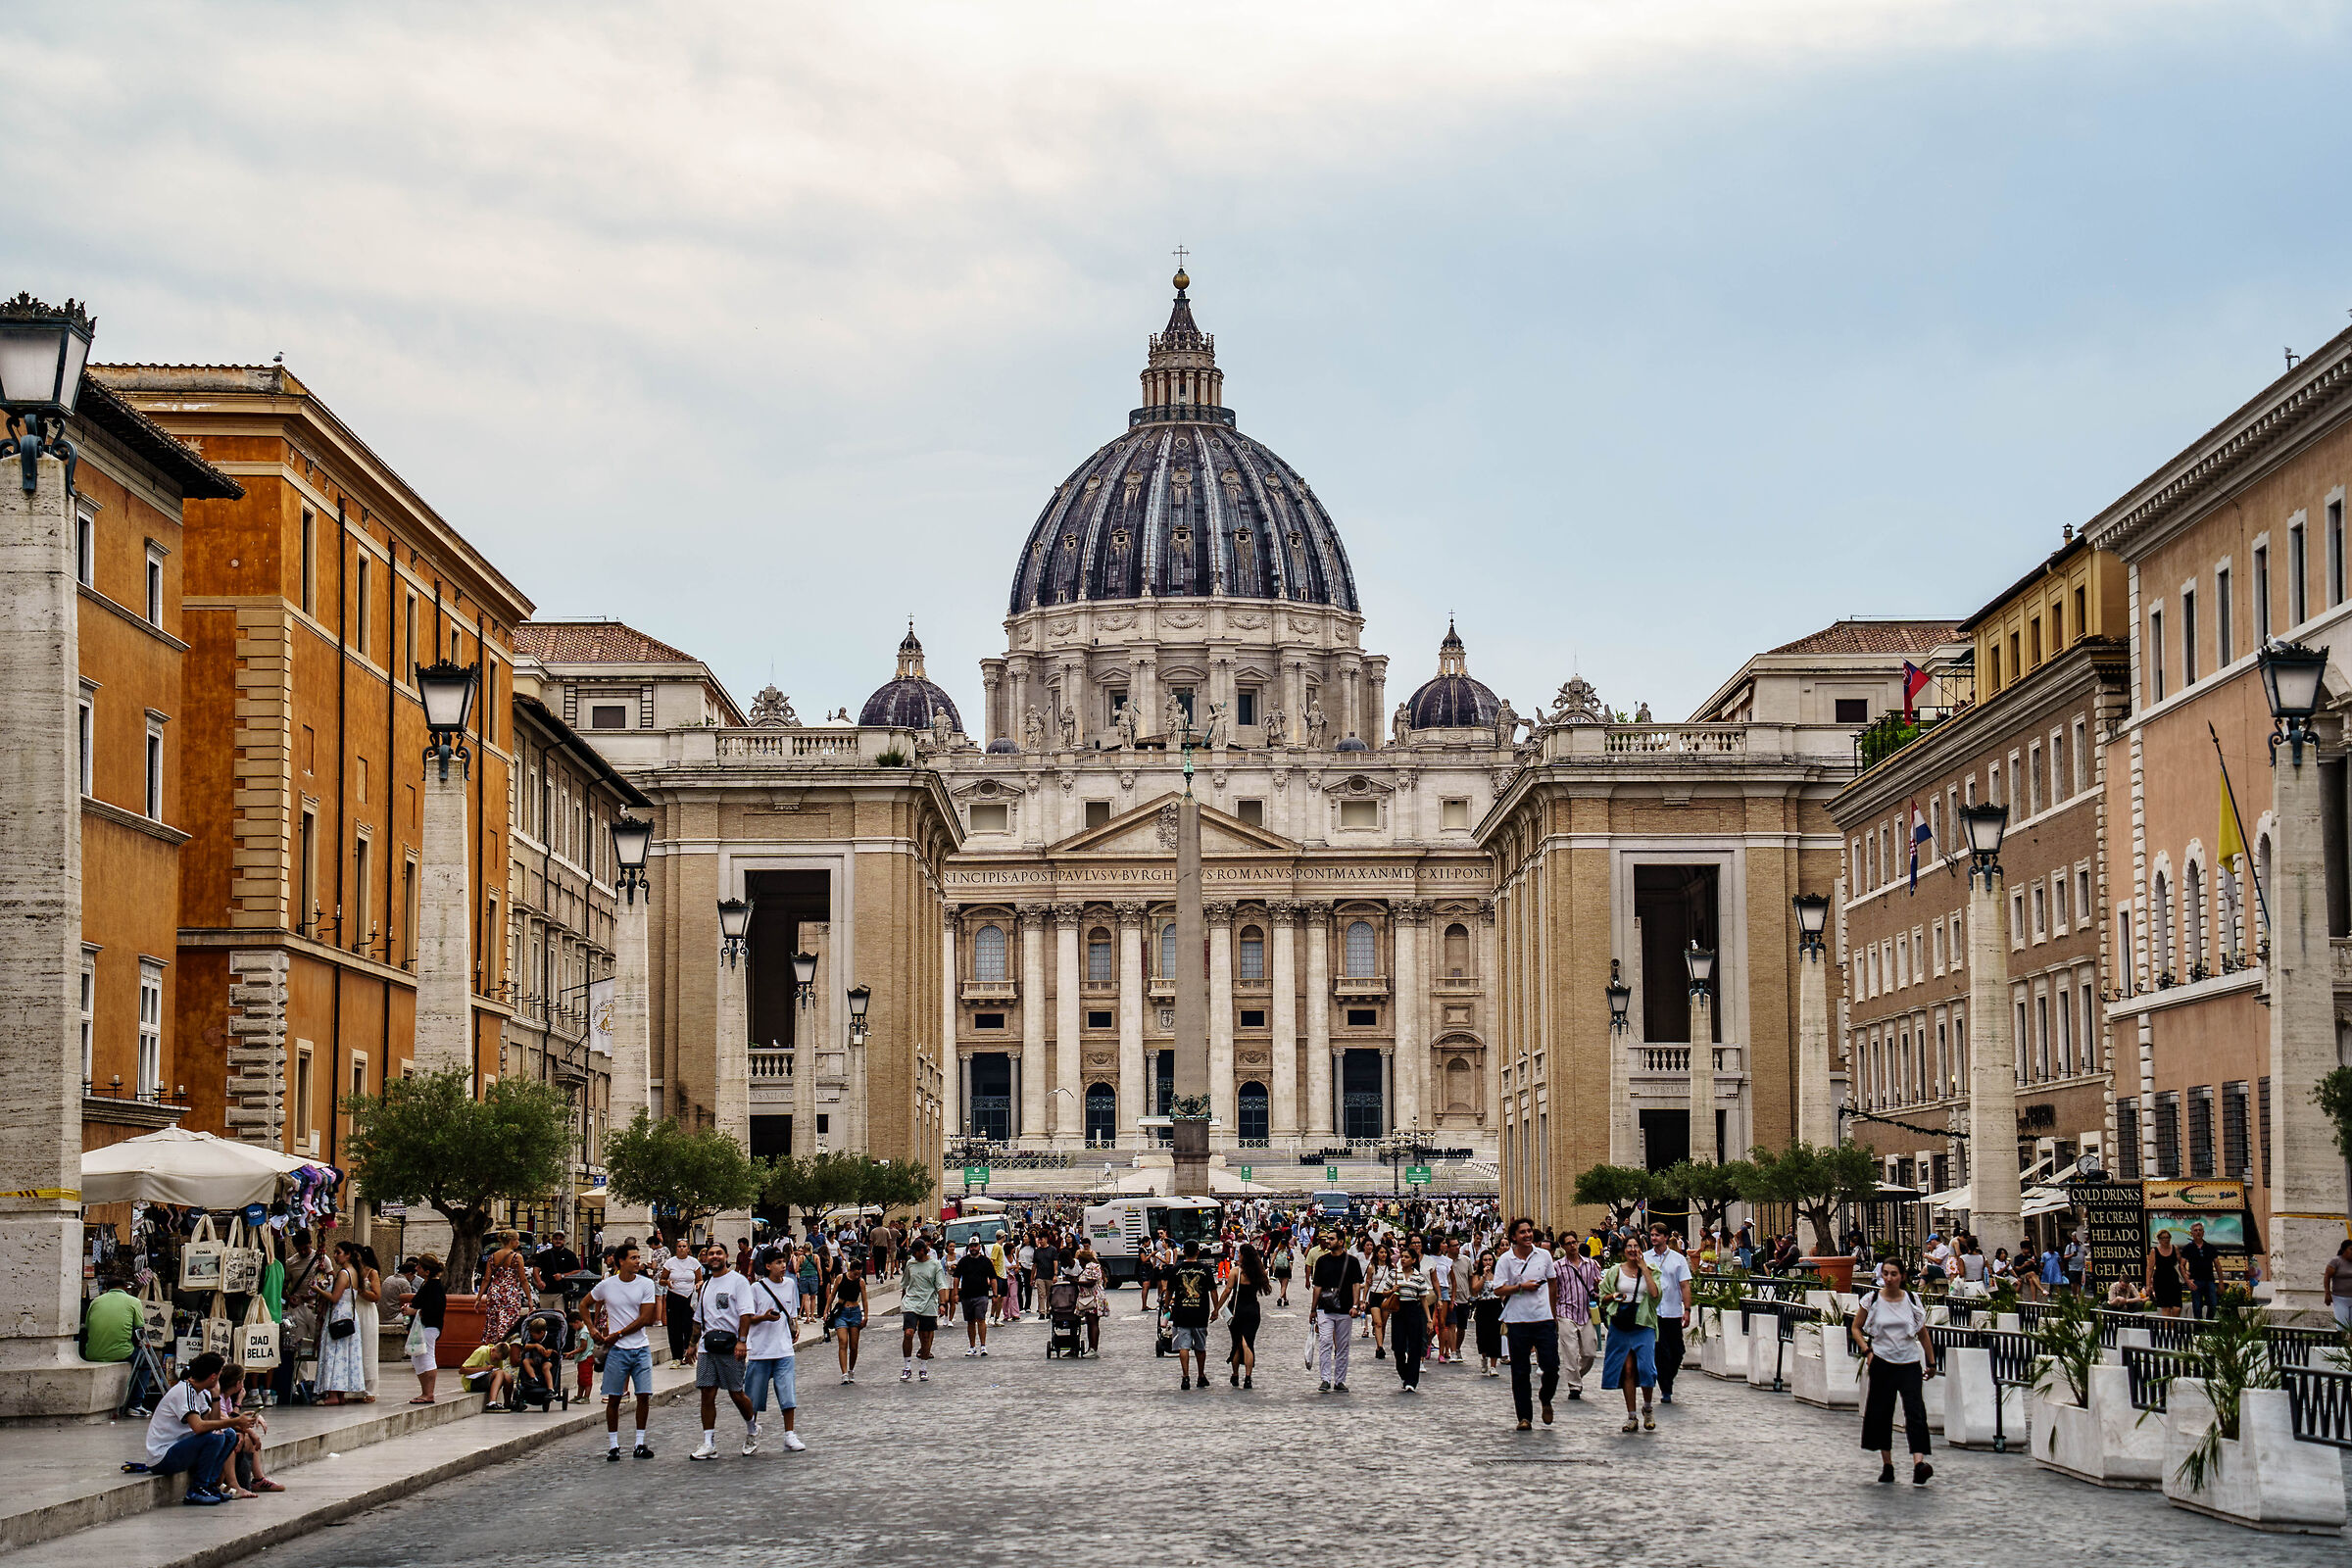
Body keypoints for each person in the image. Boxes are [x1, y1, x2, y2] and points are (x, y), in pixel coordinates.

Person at [1852, 1257, 1936, 1485]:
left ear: (1902, 1277)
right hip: (1882, 1362)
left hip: (1909, 1363)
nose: (1889, 1278)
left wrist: (1931, 1362)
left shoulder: (1911, 1299)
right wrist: (1867, 1351)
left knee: (1915, 1412)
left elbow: (1923, 1333)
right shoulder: (1872, 1300)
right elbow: (1856, 1328)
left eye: (1894, 1274)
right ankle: (1887, 1464)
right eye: (1886, 1274)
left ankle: (1919, 1463)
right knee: (1881, 1414)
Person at [587, 1242, 662, 1459]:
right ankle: (613, 1445)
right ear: (621, 1261)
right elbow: (585, 1304)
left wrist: (617, 1334)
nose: (638, 1261)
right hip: (617, 1351)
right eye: (634, 1258)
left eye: (638, 1258)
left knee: (644, 1395)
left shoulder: (645, 1284)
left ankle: (639, 1442)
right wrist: (592, 1328)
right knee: (614, 1398)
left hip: (640, 1347)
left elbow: (646, 1317)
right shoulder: (607, 1285)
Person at [143, 1351, 248, 1505]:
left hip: (180, 1447)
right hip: (163, 1456)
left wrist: (216, 1396)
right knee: (215, 1437)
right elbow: (199, 1427)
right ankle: (198, 1488)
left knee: (229, 1435)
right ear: (213, 1377)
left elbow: (212, 1421)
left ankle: (211, 1485)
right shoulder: (184, 1391)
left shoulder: (197, 1392)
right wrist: (235, 1421)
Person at [689, 1243, 757, 1459]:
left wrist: (742, 1341)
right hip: (708, 1347)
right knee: (707, 1393)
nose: (715, 1257)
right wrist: (692, 1344)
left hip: (731, 1346)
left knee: (736, 1393)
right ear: (706, 1258)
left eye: (719, 1253)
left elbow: (746, 1314)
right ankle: (708, 1441)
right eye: (711, 1254)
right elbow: (698, 1320)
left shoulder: (738, 1282)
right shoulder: (706, 1285)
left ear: (727, 1256)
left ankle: (752, 1429)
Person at [1494, 1217, 1560, 1431]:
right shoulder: (1505, 1260)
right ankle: (1524, 1416)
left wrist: (1553, 1311)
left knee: (1551, 1366)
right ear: (1514, 1236)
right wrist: (1521, 1287)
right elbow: (1498, 1289)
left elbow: (1552, 1283)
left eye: (1529, 1231)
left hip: (1543, 1319)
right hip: (1517, 1320)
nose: (1527, 1235)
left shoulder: (1544, 1257)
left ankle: (1545, 1396)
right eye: (1522, 1232)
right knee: (1520, 1371)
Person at [743, 1249, 806, 1451]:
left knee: (788, 1394)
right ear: (768, 1266)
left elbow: (792, 1313)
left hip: (784, 1350)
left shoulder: (790, 1284)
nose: (782, 1266)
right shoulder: (756, 1289)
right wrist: (764, 1317)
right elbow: (747, 1318)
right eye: (778, 1262)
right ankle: (752, 1432)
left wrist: (794, 1327)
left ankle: (790, 1434)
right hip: (761, 1350)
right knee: (753, 1397)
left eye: (783, 1262)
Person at [1598, 1236, 1661, 1434]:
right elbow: (1602, 1297)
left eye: (1636, 1246)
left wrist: (1644, 1268)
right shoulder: (1615, 1271)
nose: (1632, 1250)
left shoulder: (1651, 1270)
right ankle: (1631, 1416)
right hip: (1621, 1323)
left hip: (1643, 1324)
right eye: (1629, 1247)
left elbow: (1654, 1294)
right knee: (1627, 1369)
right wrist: (1614, 1296)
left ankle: (1648, 1407)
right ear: (1623, 1250)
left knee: (1646, 1368)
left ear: (1642, 1249)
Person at [1308, 1227, 1366, 1394]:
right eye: (1328, 1238)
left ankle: (1340, 1379)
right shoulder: (1322, 1261)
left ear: (1341, 1242)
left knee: (1342, 1345)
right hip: (1325, 1308)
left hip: (1345, 1308)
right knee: (1325, 1342)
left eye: (1332, 1239)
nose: (1328, 1241)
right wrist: (1313, 1309)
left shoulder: (1352, 1262)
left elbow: (1356, 1284)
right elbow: (1317, 1286)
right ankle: (1325, 1378)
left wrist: (1355, 1305)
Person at [211, 1365, 284, 1495]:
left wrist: (239, 1402)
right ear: (238, 1383)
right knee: (239, 1437)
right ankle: (237, 1483)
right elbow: (227, 1421)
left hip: (224, 1428)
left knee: (246, 1438)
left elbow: (231, 1417)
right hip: (217, 1434)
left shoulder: (226, 1398)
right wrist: (250, 1432)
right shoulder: (219, 1397)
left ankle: (258, 1479)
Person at [1644, 1224, 1693, 1404]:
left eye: (1657, 1235)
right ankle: (1666, 1388)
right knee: (1661, 1351)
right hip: (1653, 1313)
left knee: (1677, 1351)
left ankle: (1667, 1379)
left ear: (1666, 1237)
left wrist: (1687, 1310)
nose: (1654, 1238)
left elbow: (1685, 1286)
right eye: (1652, 1235)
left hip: (1673, 1312)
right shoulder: (1645, 1258)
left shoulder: (1678, 1259)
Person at [317, 1241, 368, 1404]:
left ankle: (332, 1394)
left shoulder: (344, 1273)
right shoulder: (355, 1272)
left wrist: (317, 1289)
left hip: (339, 1315)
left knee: (334, 1353)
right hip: (350, 1316)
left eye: (338, 1252)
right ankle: (340, 1394)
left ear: (347, 1255)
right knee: (345, 1354)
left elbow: (334, 1297)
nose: (335, 1255)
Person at [1165, 1240, 1218, 1391]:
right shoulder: (1205, 1269)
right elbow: (1213, 1291)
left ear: (1183, 1253)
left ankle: (1185, 1376)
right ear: (1197, 1252)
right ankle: (1201, 1376)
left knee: (1184, 1346)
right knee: (1200, 1347)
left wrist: (1166, 1306)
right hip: (1200, 1312)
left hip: (1181, 1312)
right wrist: (1215, 1309)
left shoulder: (1176, 1269)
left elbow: (1169, 1290)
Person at [1385, 1234, 1434, 1392]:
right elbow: (1384, 1293)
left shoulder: (1418, 1277)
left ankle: (1411, 1380)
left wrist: (1429, 1319)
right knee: (1398, 1347)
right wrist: (1392, 1290)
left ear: (1413, 1260)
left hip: (1413, 1310)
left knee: (1414, 1345)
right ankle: (1404, 1373)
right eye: (1402, 1257)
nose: (1403, 1259)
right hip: (1398, 1311)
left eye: (1407, 1257)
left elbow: (1424, 1299)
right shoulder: (1394, 1275)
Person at [899, 1236, 948, 1382]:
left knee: (925, 1337)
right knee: (908, 1333)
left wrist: (942, 1304)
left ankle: (923, 1367)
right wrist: (902, 1301)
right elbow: (905, 1284)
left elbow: (940, 1285)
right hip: (911, 1302)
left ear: (922, 1251)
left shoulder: (935, 1265)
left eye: (915, 1251)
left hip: (928, 1303)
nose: (913, 1254)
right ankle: (907, 1367)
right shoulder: (910, 1264)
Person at [1554, 1242, 1598, 1401]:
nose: (1572, 1246)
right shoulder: (1558, 1266)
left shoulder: (1591, 1264)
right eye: (1568, 1244)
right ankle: (1574, 1386)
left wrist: (1598, 1289)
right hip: (1565, 1311)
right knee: (1570, 1351)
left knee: (1590, 1352)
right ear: (1563, 1247)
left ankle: (1575, 1375)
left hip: (1586, 1312)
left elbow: (1597, 1284)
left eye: (1574, 1242)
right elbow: (1553, 1289)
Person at [405, 1256, 447, 1404]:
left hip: (429, 1326)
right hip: (423, 1326)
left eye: (420, 1267)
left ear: (427, 1271)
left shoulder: (434, 1286)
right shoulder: (427, 1284)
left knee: (427, 1357)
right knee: (417, 1357)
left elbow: (432, 1308)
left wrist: (413, 1311)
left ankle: (428, 1393)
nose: (416, 1269)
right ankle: (425, 1392)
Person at [478, 1232, 530, 1350]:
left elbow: (486, 1279)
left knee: (493, 1323)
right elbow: (523, 1280)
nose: (518, 1243)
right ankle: (506, 1348)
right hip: (509, 1292)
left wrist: (479, 1298)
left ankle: (493, 1348)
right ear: (511, 1241)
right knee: (509, 1323)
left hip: (495, 1292)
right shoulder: (517, 1257)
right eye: (517, 1240)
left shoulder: (493, 1256)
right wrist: (530, 1299)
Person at [660, 1238, 704, 1367]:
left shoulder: (694, 1263)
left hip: (689, 1296)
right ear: (676, 1249)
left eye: (684, 1246)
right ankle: (676, 1357)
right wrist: (667, 1282)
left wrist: (697, 1285)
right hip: (674, 1295)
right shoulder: (670, 1263)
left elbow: (700, 1280)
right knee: (674, 1327)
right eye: (679, 1246)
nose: (682, 1249)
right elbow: (662, 1279)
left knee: (688, 1325)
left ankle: (688, 1354)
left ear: (688, 1249)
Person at [953, 1237, 998, 1357]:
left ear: (979, 1247)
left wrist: (994, 1294)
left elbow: (993, 1278)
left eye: (975, 1245)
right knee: (970, 1321)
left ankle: (983, 1345)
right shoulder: (963, 1261)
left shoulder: (986, 1261)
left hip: (981, 1295)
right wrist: (956, 1293)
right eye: (971, 1246)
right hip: (966, 1295)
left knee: (981, 1319)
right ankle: (972, 1346)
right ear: (969, 1247)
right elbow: (956, 1277)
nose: (973, 1248)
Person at [79, 1278, 139, 1363]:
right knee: (145, 1362)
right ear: (126, 1288)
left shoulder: (96, 1301)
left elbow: (87, 1326)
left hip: (92, 1354)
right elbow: (139, 1326)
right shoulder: (134, 1301)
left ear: (107, 1288)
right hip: (122, 1353)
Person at [830, 1260, 866, 1384]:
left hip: (855, 1312)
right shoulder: (840, 1278)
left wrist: (865, 1316)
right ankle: (844, 1373)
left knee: (854, 1346)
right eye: (856, 1273)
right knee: (843, 1341)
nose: (858, 1275)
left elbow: (865, 1300)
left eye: (860, 1273)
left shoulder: (861, 1282)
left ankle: (851, 1370)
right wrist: (826, 1311)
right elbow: (832, 1295)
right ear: (851, 1270)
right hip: (841, 1313)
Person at [2180, 1221, 2223, 1319]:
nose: (2198, 1232)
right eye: (2195, 1230)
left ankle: (2208, 1324)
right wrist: (2187, 1281)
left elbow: (2217, 1265)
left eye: (2200, 1230)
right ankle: (2199, 1329)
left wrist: (2220, 1282)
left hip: (2209, 1280)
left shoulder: (2210, 1247)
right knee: (2197, 1307)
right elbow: (2182, 1265)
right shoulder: (2188, 1248)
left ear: (2203, 1232)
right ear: (2192, 1233)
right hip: (2196, 1281)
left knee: (2213, 1304)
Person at [2145, 1229, 2187, 1316]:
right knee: (2166, 1308)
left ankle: (2172, 1326)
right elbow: (2150, 1268)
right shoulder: (2154, 1251)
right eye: (2163, 1238)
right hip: (2161, 1280)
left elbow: (2181, 1264)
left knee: (2177, 1308)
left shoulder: (2175, 1248)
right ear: (2159, 1239)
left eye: (2167, 1238)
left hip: (2174, 1279)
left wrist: (2186, 1275)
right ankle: (2168, 1329)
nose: (2166, 1240)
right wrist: (2148, 1285)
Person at [1271, 1236, 1294, 1308]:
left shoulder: (1277, 1249)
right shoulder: (1289, 1250)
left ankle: (1286, 1300)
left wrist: (1270, 1266)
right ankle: (1280, 1298)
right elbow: (1291, 1258)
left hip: (1278, 1269)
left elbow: (1273, 1258)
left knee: (1282, 1286)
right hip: (1285, 1269)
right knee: (1284, 1286)